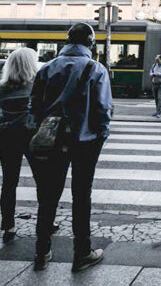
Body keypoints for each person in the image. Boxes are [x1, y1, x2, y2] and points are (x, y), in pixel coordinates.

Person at [29, 22, 112, 272]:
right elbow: (103, 109)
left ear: (67, 41)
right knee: (81, 195)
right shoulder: (96, 69)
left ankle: (41, 252)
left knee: (48, 195)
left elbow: (34, 106)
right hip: (85, 142)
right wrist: (101, 135)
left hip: (53, 139)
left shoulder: (47, 68)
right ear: (90, 43)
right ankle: (81, 253)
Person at [0, 48, 38, 243]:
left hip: (6, 138)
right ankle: (46, 220)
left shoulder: (2, 87)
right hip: (32, 137)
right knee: (43, 180)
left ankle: (8, 224)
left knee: (9, 182)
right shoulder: (38, 87)